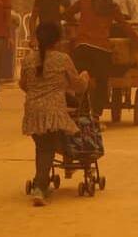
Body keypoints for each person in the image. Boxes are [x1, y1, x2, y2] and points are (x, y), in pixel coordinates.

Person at [18, 22, 89, 207]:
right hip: (54, 112)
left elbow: (23, 84)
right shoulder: (63, 59)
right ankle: (40, 187)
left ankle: (41, 180)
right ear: (58, 40)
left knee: (42, 146)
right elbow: (77, 85)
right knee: (48, 147)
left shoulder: (28, 59)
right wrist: (85, 77)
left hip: (33, 110)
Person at [66, 0, 138, 117]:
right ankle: (96, 114)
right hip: (101, 49)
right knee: (103, 80)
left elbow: (67, 14)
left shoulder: (85, 1)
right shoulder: (112, 8)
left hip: (81, 47)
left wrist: (78, 23)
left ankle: (81, 110)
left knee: (80, 79)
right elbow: (125, 27)